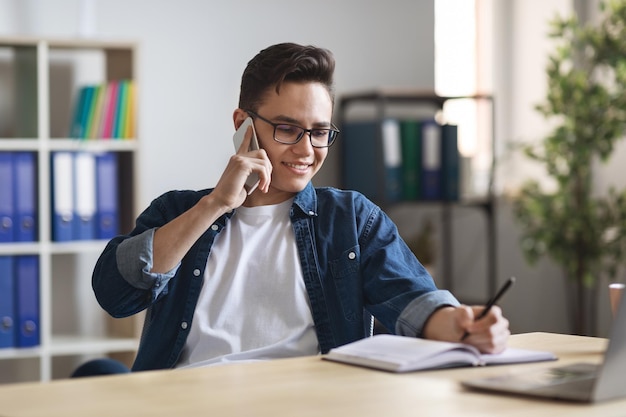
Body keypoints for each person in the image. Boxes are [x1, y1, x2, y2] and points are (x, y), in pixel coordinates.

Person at [89, 42, 509, 373]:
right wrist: (215, 204)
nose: (307, 150)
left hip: (305, 401)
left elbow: (411, 300)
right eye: (288, 129)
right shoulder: (177, 211)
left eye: (320, 132)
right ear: (242, 125)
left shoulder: (350, 220)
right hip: (189, 400)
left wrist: (459, 324)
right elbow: (115, 294)